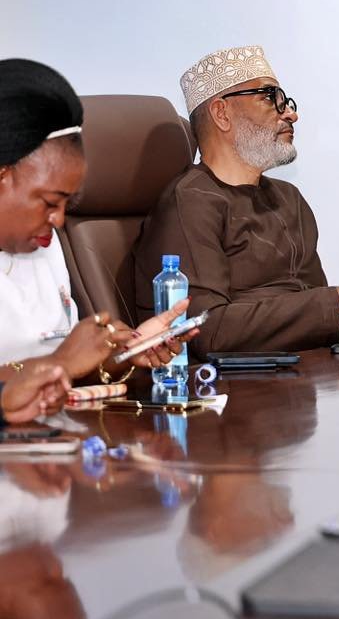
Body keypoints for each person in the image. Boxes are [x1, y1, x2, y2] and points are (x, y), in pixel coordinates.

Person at [134, 46, 339, 355]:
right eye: (270, 98)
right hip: (231, 382)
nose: (291, 114)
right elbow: (204, 331)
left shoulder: (289, 199)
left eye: (286, 101)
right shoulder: (190, 202)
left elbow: (303, 307)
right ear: (221, 113)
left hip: (300, 372)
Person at [0, 59, 194, 393]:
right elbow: (58, 363)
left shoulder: (43, 246)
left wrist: (123, 353)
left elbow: (69, 367)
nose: (59, 220)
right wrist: (59, 363)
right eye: (50, 202)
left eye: (68, 204)